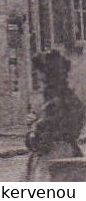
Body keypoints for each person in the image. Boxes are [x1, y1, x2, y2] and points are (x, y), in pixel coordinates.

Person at [27, 49, 86, 181]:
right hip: (69, 157)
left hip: (52, 159)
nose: (38, 77)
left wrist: (33, 128)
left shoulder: (54, 103)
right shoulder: (72, 99)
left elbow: (42, 139)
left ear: (47, 76)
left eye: (40, 73)